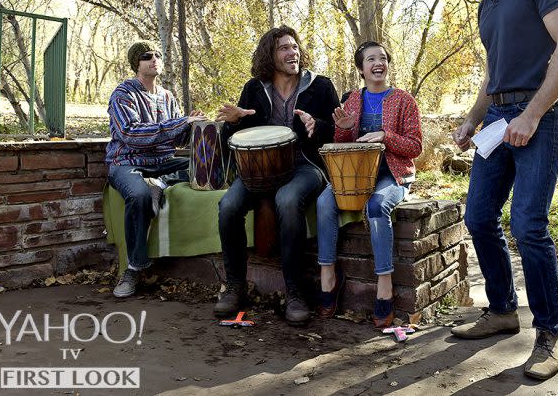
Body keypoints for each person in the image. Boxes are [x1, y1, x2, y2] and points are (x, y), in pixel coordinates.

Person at [449, 0, 558, 380]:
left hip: (539, 116)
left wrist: (531, 114)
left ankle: (548, 334)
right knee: (478, 216)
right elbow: (494, 74)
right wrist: (472, 119)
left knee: (528, 224)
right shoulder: (487, 1)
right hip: (499, 117)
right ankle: (503, 309)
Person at [214, 25, 340, 325]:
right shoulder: (254, 88)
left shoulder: (320, 86)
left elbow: (339, 131)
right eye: (284, 48)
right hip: (258, 171)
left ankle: (295, 291)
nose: (292, 52)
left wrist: (317, 127)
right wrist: (232, 123)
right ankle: (235, 286)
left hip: (305, 166)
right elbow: (236, 139)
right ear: (270, 55)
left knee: (286, 200)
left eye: (294, 47)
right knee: (228, 206)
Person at [315, 41, 422, 328]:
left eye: (383, 58)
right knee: (324, 202)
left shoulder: (403, 100)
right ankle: (328, 277)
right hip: (357, 175)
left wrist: (385, 135)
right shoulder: (351, 101)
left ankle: (384, 285)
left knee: (377, 206)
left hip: (393, 173)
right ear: (360, 69)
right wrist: (346, 128)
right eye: (371, 59)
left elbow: (415, 147)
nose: (378, 63)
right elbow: (342, 148)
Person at [106, 41, 206, 298]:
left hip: (162, 164)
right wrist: (180, 123)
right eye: (147, 56)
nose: (154, 59)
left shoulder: (167, 96)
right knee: (138, 196)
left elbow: (177, 141)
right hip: (128, 162)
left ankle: (159, 185)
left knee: (205, 166)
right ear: (136, 64)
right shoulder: (123, 94)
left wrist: (191, 125)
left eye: (157, 55)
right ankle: (133, 268)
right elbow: (130, 134)